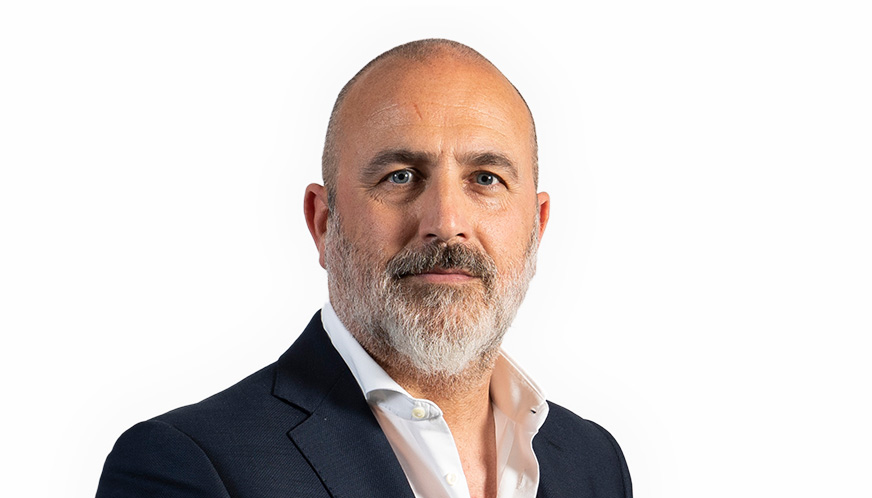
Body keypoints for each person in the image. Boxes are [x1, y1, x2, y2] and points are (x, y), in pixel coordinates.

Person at [96, 38, 632, 498]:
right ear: (323, 222)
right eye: (400, 176)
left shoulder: (593, 462)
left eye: (486, 178)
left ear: (537, 226)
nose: (446, 222)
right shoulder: (186, 466)